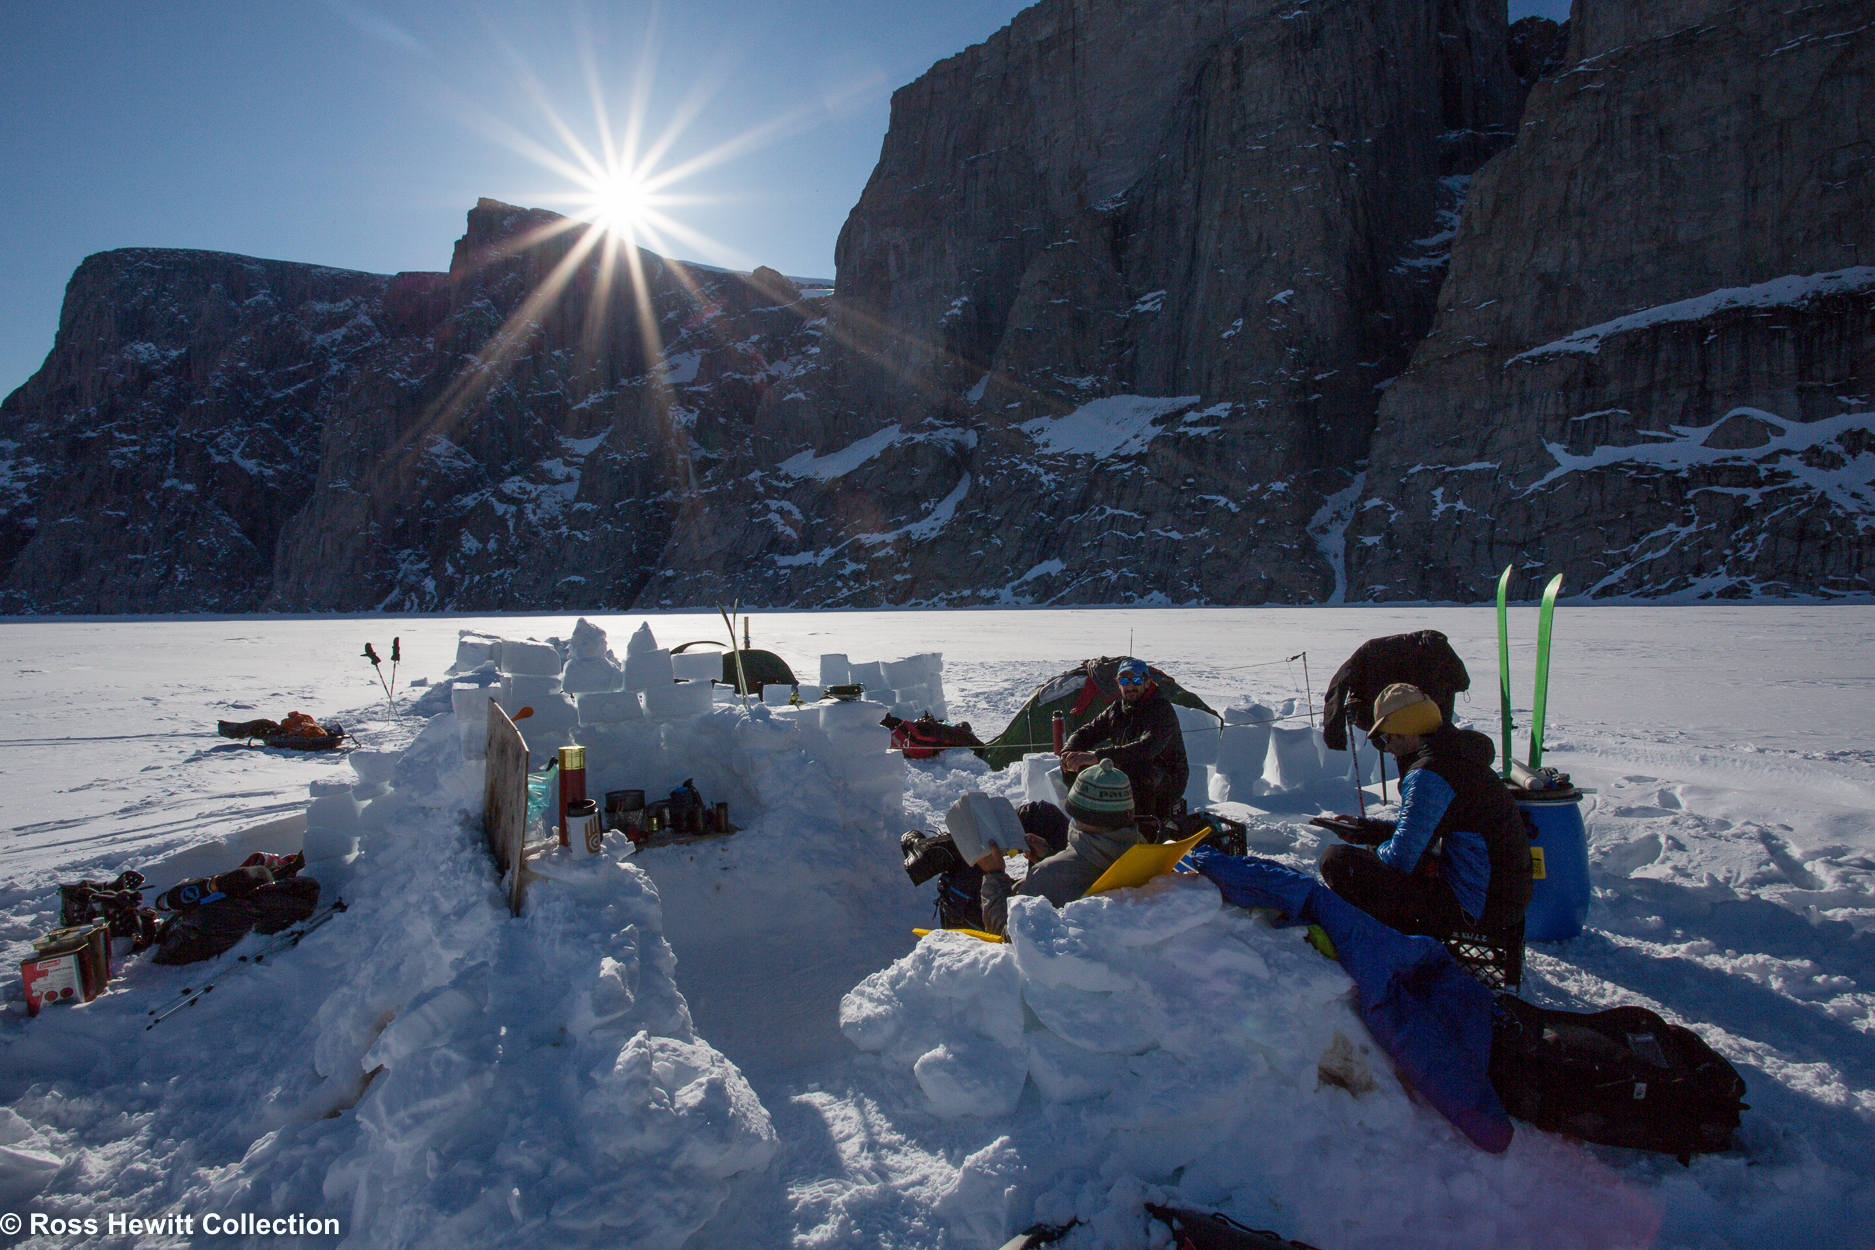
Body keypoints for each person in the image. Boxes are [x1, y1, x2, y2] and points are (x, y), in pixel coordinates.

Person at [1319, 683, 1532, 937]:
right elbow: (1426, 831)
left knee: (1337, 861)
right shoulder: (1458, 755)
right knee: (1374, 853)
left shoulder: (1430, 774)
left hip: (1477, 905)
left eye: (1386, 737)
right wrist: (1369, 831)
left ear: (1406, 731)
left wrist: (1377, 846)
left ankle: (1388, 946)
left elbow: (1402, 859)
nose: (1386, 747)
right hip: (1502, 898)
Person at [972, 760, 1141, 936]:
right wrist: (1049, 857)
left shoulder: (1047, 874)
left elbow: (1007, 933)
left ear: (1076, 811)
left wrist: (994, 874)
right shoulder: (1141, 853)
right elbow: (1079, 879)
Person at [1059, 658, 1188, 821]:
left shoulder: (1161, 709)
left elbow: (1146, 748)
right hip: (1128, 766)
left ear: (1147, 682)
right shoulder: (1117, 710)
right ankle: (1085, 821)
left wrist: (1097, 757)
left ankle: (1143, 828)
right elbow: (1088, 731)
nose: (1129, 686)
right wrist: (1069, 751)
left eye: (1135, 680)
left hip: (1167, 775)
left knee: (1136, 773)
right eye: (1124, 681)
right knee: (1077, 763)